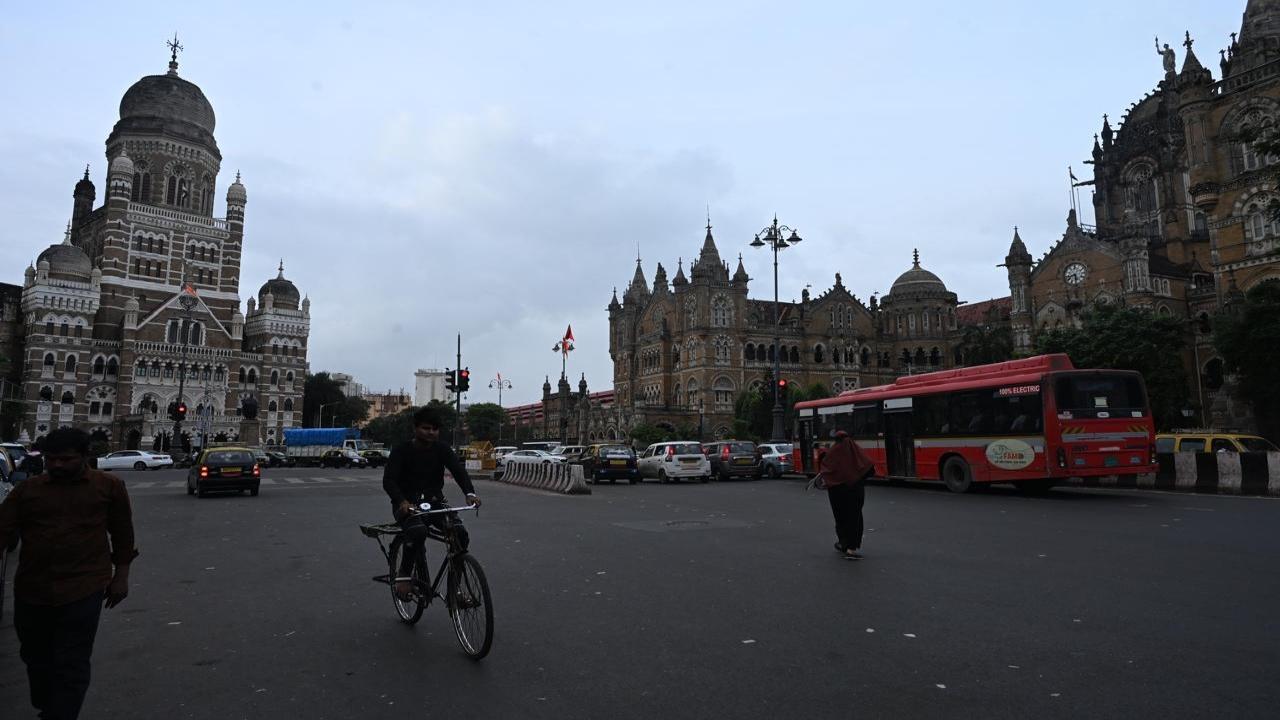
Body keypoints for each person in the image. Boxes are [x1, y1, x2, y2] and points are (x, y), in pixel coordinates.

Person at [0, 427, 137, 720]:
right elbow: (3, 533)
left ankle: (60, 715)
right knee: (35, 658)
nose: (57, 465)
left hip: (83, 588)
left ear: (85, 457)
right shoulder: (28, 491)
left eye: (66, 459)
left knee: (71, 661)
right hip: (33, 589)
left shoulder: (107, 486)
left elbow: (123, 534)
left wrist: (121, 577)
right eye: (51, 459)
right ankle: (48, 706)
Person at [382, 407, 481, 599]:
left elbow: (458, 471)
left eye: (435, 429)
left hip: (435, 502)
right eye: (426, 428)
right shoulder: (401, 450)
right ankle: (404, 576)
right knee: (418, 531)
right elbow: (389, 481)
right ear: (415, 428)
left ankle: (455, 589)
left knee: (460, 534)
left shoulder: (442, 449)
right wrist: (401, 501)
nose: (431, 433)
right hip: (406, 504)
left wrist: (470, 493)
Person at [818, 430, 874, 560]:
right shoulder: (855, 450)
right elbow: (869, 468)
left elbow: (825, 470)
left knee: (840, 518)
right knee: (854, 519)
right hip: (854, 491)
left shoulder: (832, 452)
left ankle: (843, 542)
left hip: (836, 493)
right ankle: (851, 548)